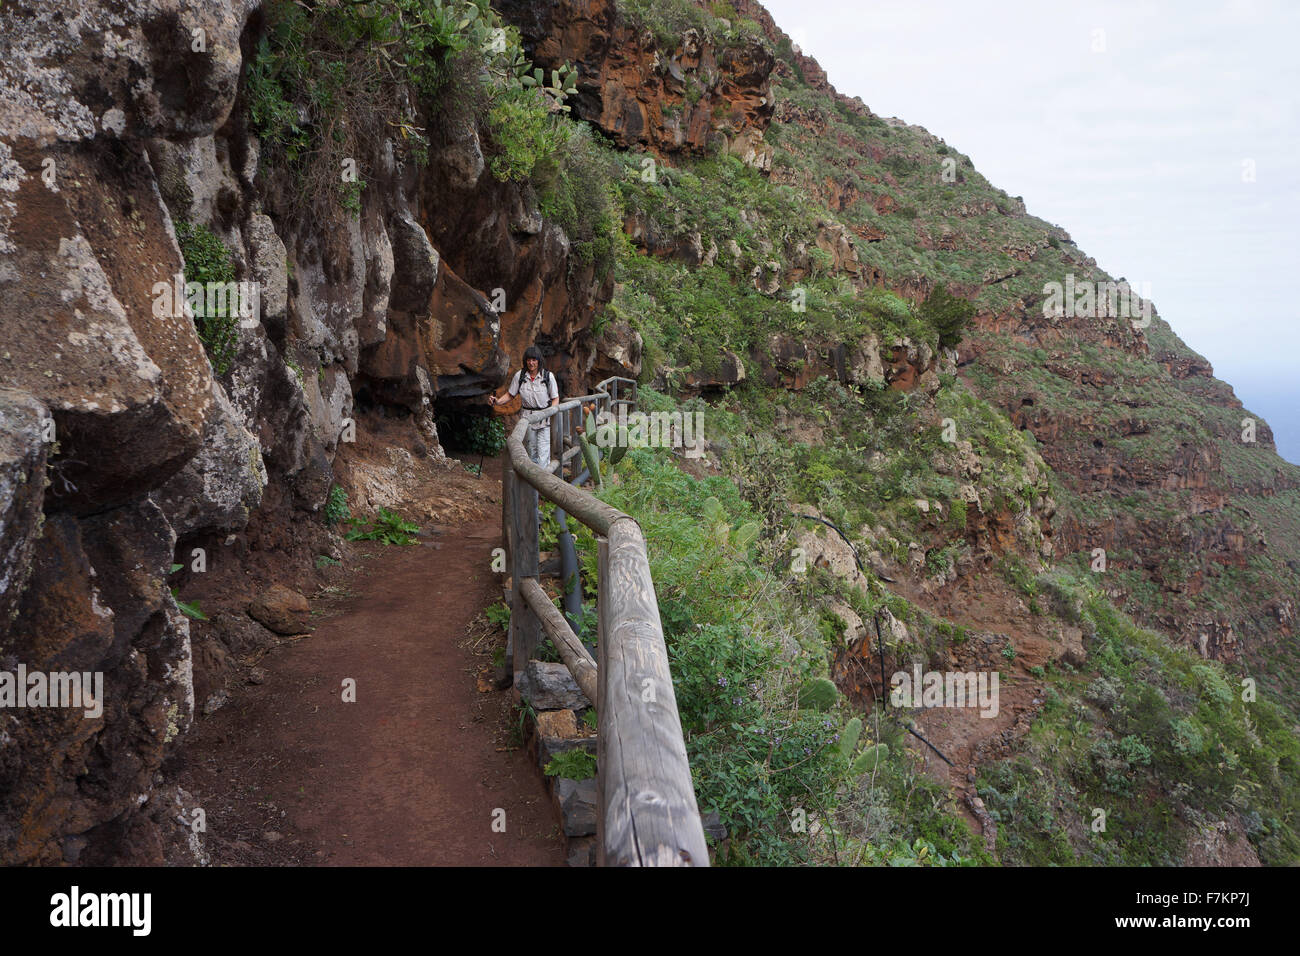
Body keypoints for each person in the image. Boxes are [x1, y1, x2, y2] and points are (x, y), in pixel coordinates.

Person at [489, 345, 559, 469]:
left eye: (534, 360)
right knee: (531, 452)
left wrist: (550, 412)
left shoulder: (548, 376)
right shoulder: (520, 376)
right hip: (528, 420)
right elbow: (511, 394)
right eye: (528, 360)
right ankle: (531, 486)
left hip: (544, 420)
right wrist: (498, 401)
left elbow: (555, 398)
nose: (531, 363)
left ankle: (541, 486)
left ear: (539, 361)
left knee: (543, 454)